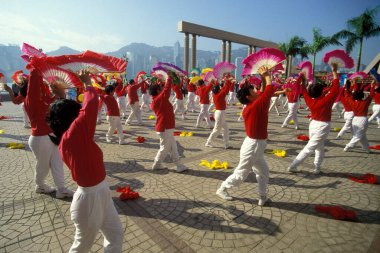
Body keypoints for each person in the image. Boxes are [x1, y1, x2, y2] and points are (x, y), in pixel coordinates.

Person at [47, 71, 123, 253]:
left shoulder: (70, 136)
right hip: (88, 200)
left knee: (116, 235)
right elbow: (89, 106)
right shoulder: (73, 136)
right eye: (76, 109)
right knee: (81, 248)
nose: (79, 110)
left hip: (101, 192)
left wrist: (60, 93)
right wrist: (88, 84)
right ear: (72, 118)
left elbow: (71, 111)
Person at [216, 66, 276, 206]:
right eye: (253, 90)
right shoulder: (255, 106)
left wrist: (263, 77)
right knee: (241, 174)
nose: (256, 90)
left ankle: (262, 197)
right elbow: (267, 92)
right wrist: (267, 76)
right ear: (249, 97)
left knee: (264, 172)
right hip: (254, 145)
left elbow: (263, 93)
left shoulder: (252, 104)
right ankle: (222, 188)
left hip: (255, 144)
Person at [22, 65, 74, 199]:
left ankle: (61, 189)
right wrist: (36, 67)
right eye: (40, 83)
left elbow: (52, 99)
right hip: (41, 138)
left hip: (50, 136)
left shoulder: (41, 99)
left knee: (57, 162)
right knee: (43, 166)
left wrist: (57, 91)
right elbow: (34, 85)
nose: (42, 85)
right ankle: (39, 185)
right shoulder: (31, 99)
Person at [287, 64, 339, 174]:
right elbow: (335, 88)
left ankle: (317, 168)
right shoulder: (326, 100)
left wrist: (302, 78)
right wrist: (334, 72)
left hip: (313, 124)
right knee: (310, 148)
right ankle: (293, 165)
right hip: (323, 126)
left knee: (319, 147)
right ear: (322, 91)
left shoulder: (310, 100)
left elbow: (303, 89)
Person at [149, 75, 188, 172]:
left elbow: (163, 90)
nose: (162, 88)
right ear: (158, 91)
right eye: (160, 88)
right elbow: (166, 89)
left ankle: (179, 165)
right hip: (165, 127)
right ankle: (156, 164)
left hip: (165, 127)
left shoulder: (156, 99)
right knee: (164, 148)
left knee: (173, 147)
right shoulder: (160, 99)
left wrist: (159, 83)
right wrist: (168, 77)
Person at [343, 80, 376, 153]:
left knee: (362, 135)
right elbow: (371, 95)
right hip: (362, 119)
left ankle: (367, 148)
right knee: (358, 135)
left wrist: (352, 85)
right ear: (362, 96)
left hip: (355, 119)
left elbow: (347, 95)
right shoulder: (365, 102)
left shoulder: (352, 102)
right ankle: (348, 146)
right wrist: (372, 86)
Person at [205, 78, 232, 149]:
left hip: (220, 113)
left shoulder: (215, 94)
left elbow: (223, 89)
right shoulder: (220, 95)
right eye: (220, 88)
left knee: (225, 128)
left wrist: (218, 82)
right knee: (217, 129)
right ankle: (208, 142)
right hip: (220, 113)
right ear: (219, 90)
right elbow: (225, 90)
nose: (221, 88)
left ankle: (226, 144)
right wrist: (227, 80)